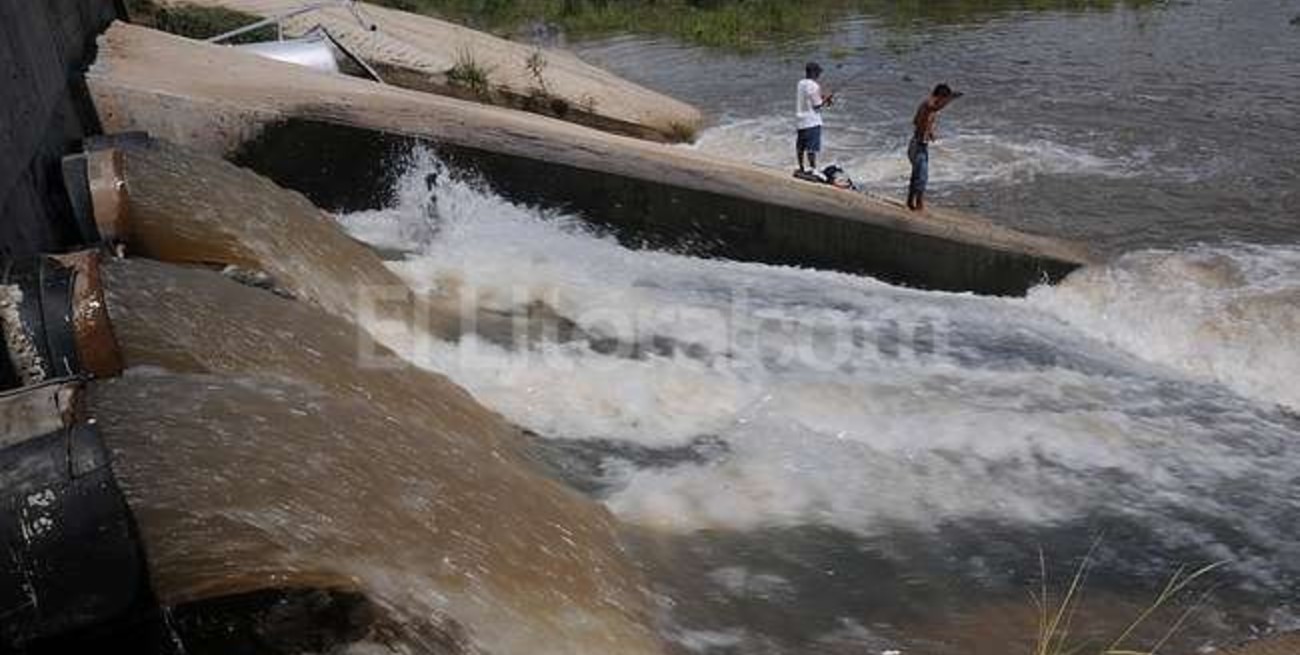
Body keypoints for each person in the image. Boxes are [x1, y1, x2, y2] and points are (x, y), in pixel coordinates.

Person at [906, 83, 962, 211]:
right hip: (918, 145)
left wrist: (929, 132)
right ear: (941, 96)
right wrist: (950, 99)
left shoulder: (927, 104)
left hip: (918, 144)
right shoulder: (929, 103)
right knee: (922, 176)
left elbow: (916, 120)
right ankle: (918, 205)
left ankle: (910, 202)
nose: (945, 101)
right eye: (945, 98)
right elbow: (934, 108)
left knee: (917, 175)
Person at [796, 62, 834, 175]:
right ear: (813, 72)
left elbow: (809, 97)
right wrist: (826, 99)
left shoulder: (801, 83)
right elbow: (817, 104)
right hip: (812, 121)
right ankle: (813, 170)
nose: (819, 75)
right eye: (818, 72)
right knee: (812, 148)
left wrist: (822, 97)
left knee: (801, 147)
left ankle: (801, 168)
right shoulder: (814, 85)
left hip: (800, 120)